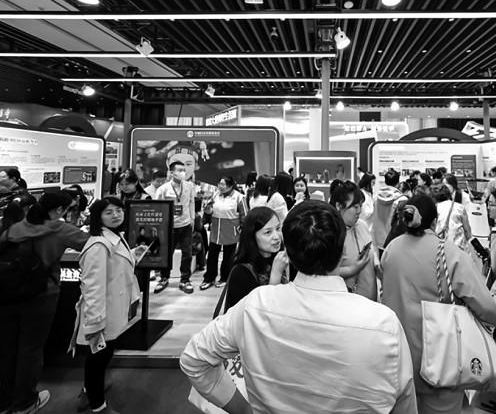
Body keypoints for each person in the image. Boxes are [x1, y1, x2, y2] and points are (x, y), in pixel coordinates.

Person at [180, 200, 418, 413]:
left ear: (290, 253)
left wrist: (242, 409)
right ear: (342, 250)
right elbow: (404, 401)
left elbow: (194, 359)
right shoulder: (383, 323)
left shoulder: (255, 306)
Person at [381, 194, 496, 413]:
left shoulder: (391, 249)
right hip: (440, 358)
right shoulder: (449, 252)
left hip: (397, 356)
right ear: (434, 222)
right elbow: (485, 305)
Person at [0, 191, 89, 414]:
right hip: (42, 293)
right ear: (59, 210)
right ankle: (25, 402)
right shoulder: (60, 229)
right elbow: (92, 245)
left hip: (6, 294)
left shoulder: (14, 228)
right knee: (31, 348)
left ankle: (5, 401)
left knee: (8, 347)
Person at [73, 198, 141, 414]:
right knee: (98, 359)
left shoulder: (114, 238)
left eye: (119, 210)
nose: (116, 215)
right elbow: (93, 287)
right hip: (102, 314)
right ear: (98, 216)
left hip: (112, 310)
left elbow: (114, 268)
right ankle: (97, 405)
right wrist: (95, 322)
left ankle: (89, 390)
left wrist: (133, 255)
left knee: (102, 356)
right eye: (109, 212)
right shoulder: (99, 245)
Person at [223, 206, 289, 311]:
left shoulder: (282, 259)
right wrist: (276, 273)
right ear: (252, 236)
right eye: (268, 232)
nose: (276, 237)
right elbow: (256, 314)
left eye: (278, 229)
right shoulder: (242, 272)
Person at [154, 161, 197, 294]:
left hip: (186, 225)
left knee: (187, 253)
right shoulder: (163, 189)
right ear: (172, 172)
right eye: (179, 170)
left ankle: (185, 280)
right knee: (167, 253)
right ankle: (164, 278)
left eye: (184, 170)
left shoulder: (189, 186)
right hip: (169, 226)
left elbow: (191, 202)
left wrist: (192, 218)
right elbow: (157, 207)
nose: (183, 172)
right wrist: (159, 225)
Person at [330, 180, 377, 301]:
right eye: (355, 207)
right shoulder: (330, 233)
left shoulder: (362, 226)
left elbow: (373, 255)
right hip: (346, 302)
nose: (359, 211)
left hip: (369, 300)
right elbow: (323, 273)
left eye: (361, 206)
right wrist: (352, 270)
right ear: (339, 206)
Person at [201, 177, 246, 291]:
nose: (220, 186)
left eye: (223, 184)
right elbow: (209, 212)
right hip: (216, 229)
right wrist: (207, 209)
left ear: (230, 186)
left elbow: (244, 215)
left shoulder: (239, 197)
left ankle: (225, 278)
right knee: (212, 255)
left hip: (231, 230)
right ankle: (209, 278)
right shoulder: (216, 195)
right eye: (219, 184)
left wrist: (242, 229)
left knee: (228, 256)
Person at [372, 169, 407, 251]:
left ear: (385, 181)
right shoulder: (402, 200)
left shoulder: (375, 197)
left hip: (378, 241)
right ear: (398, 183)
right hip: (395, 243)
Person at [432, 184, 472, 250]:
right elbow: (467, 230)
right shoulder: (460, 207)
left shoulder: (435, 208)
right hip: (458, 246)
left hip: (441, 246)